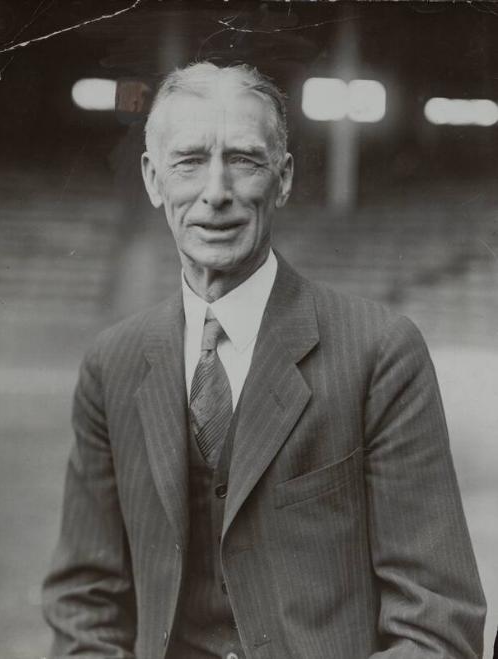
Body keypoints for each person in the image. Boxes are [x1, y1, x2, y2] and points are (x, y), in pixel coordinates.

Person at [42, 61, 486, 659]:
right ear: (153, 180)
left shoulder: (381, 353)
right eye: (189, 160)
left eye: (245, 159)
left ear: (283, 179)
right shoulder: (112, 365)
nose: (216, 191)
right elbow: (83, 604)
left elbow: (439, 626)